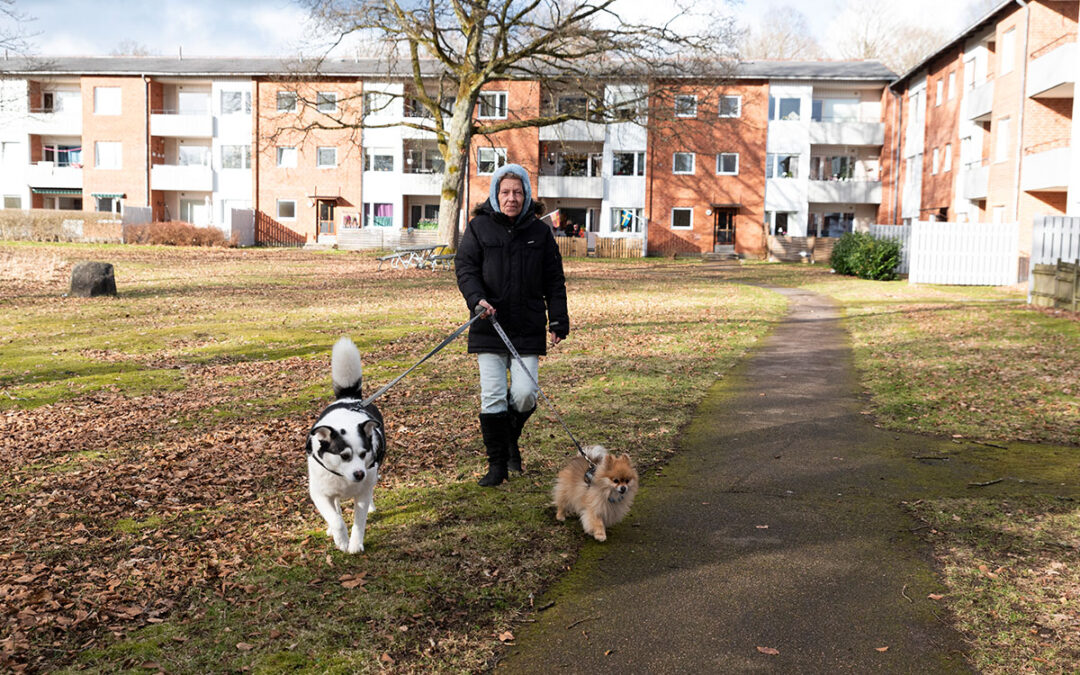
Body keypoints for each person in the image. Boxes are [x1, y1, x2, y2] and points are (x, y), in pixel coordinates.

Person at [455, 164, 569, 487]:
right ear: (495, 194)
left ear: (527, 196)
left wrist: (558, 318)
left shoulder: (540, 233)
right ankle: (498, 465)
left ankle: (507, 441)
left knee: (524, 395)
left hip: (526, 329)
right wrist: (476, 299)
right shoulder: (478, 228)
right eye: (505, 192)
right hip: (488, 326)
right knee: (492, 396)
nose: (511, 198)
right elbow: (465, 268)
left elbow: (554, 280)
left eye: (518, 192)